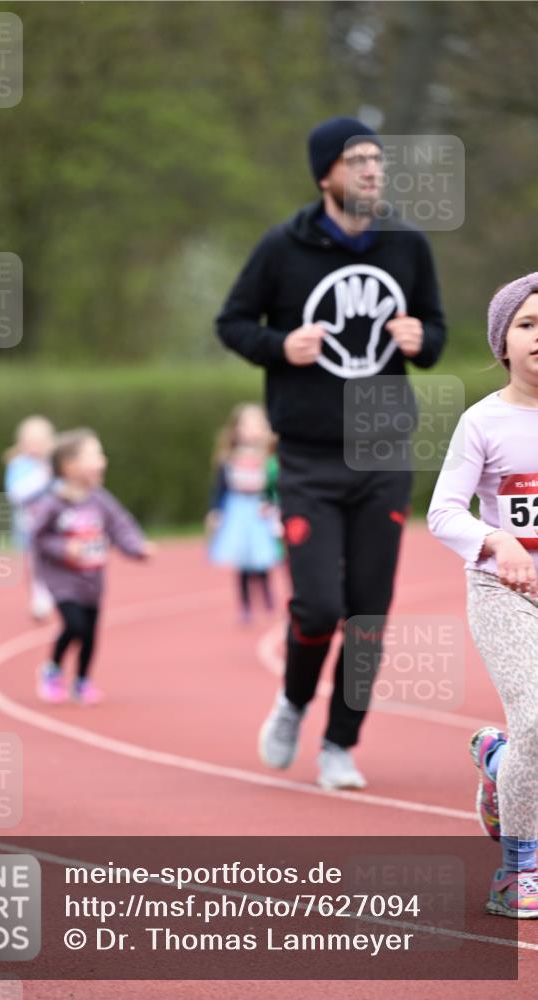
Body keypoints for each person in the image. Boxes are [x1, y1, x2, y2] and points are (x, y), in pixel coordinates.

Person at [216, 116, 446, 789]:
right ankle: (292, 703)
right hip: (311, 457)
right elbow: (231, 321)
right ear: (326, 175)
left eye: (377, 160)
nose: (373, 171)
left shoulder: (405, 245)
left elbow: (434, 334)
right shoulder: (281, 247)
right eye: (357, 161)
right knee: (317, 607)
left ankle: (339, 743)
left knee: (367, 617)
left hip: (381, 451)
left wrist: (418, 339)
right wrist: (276, 346)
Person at [428, 273, 538, 918]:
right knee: (536, 721)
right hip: (506, 594)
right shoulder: (484, 422)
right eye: (527, 325)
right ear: (503, 342)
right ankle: (519, 866)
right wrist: (498, 542)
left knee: (530, 740)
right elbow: (443, 513)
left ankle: (499, 764)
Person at [31, 428, 155, 704]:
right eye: (95, 455)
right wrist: (64, 548)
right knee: (74, 625)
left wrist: (137, 547)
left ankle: (82, 681)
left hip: (93, 580)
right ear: (70, 466)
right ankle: (52, 669)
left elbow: (119, 524)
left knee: (90, 633)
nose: (103, 461)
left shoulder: (99, 499)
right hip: (63, 580)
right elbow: (38, 537)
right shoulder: (53, 504)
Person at [206, 403, 282, 622]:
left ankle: (267, 595)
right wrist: (215, 511)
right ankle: (245, 604)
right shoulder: (228, 458)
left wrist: (272, 504)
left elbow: (274, 485)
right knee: (242, 560)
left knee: (262, 557)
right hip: (237, 511)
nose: (252, 431)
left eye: (257, 425)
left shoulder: (269, 458)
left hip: (260, 511)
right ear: (236, 429)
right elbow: (219, 487)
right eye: (247, 426)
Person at [3, 415, 56, 620]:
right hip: (29, 525)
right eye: (30, 442)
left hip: (54, 525)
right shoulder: (18, 465)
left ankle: (56, 592)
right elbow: (16, 493)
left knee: (55, 559)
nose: (35, 447)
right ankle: (40, 598)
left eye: (39, 442)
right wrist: (43, 476)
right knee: (34, 563)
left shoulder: (54, 463)